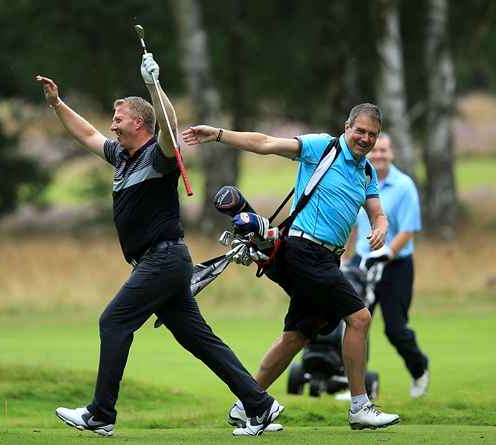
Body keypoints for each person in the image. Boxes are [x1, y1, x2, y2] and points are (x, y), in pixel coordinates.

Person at [35, 53, 281, 437]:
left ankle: (101, 414)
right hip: (162, 263)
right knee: (199, 340)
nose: (112, 126)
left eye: (118, 119)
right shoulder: (122, 157)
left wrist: (153, 84)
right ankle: (260, 404)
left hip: (163, 260)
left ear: (138, 122)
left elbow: (169, 125)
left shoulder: (160, 156)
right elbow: (87, 135)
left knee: (113, 322)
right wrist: (57, 104)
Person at [182, 103, 400, 431]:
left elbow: (376, 211)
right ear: (347, 127)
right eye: (360, 131)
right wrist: (218, 135)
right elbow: (266, 143)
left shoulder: (366, 172)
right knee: (360, 317)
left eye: (372, 134)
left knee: (295, 337)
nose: (365, 139)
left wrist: (380, 226)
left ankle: (247, 404)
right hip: (303, 250)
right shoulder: (322, 147)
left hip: (326, 259)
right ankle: (360, 406)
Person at [345, 133, 429, 398]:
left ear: (391, 154)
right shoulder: (359, 181)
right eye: (375, 151)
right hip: (362, 264)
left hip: (396, 266)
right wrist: (345, 257)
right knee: (356, 324)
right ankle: (360, 388)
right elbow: (354, 225)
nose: (378, 155)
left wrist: (386, 252)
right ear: (368, 153)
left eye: (384, 151)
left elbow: (408, 230)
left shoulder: (404, 186)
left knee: (395, 328)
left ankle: (419, 369)